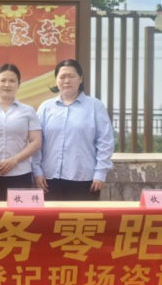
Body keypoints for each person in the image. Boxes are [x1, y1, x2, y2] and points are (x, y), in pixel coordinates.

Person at [32, 59, 114, 201]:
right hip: (49, 179)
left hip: (85, 180)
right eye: (62, 77)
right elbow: (37, 142)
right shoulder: (46, 107)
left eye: (71, 76)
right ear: (56, 80)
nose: (67, 81)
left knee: (80, 216)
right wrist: (37, 171)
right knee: (51, 216)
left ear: (80, 79)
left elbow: (105, 142)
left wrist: (100, 173)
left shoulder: (95, 106)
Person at [0, 64, 42, 201]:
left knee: (22, 213)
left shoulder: (28, 111)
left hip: (20, 174)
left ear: (19, 84)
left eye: (12, 81)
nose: (7, 84)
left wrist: (14, 160)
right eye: (3, 80)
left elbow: (36, 141)